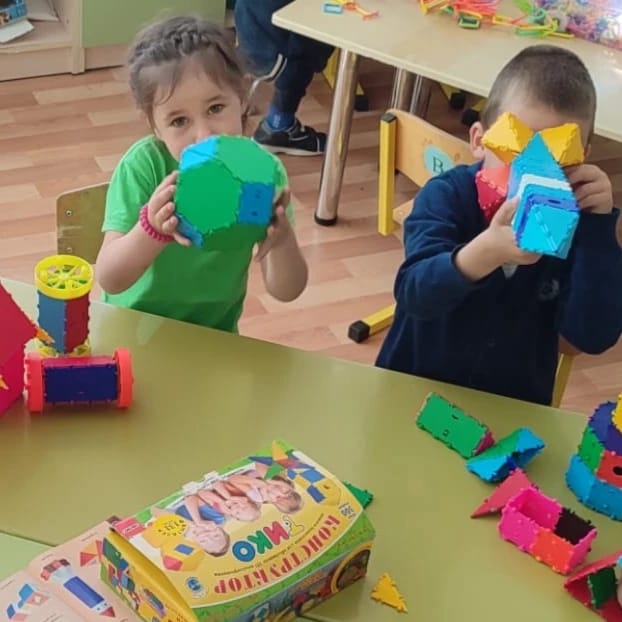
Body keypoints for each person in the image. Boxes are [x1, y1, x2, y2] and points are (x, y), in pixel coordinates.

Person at [376, 44, 622, 406]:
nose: (532, 172)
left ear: (582, 157)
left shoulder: (582, 223)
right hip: (415, 387)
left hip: (513, 403)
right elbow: (415, 293)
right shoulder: (446, 196)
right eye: (517, 150)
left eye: (557, 158)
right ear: (479, 141)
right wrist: (484, 252)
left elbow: (592, 336)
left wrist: (598, 232)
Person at [95, 15, 308, 333]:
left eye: (215, 108)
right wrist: (151, 231)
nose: (204, 135)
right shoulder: (145, 166)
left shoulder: (260, 173)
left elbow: (287, 291)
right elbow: (110, 278)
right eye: (179, 121)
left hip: (213, 335)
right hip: (132, 331)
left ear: (241, 99)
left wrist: (281, 240)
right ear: (155, 126)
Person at [234, 0, 334, 156]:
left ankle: (277, 123)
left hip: (251, 26)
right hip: (269, 40)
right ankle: (278, 124)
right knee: (308, 44)